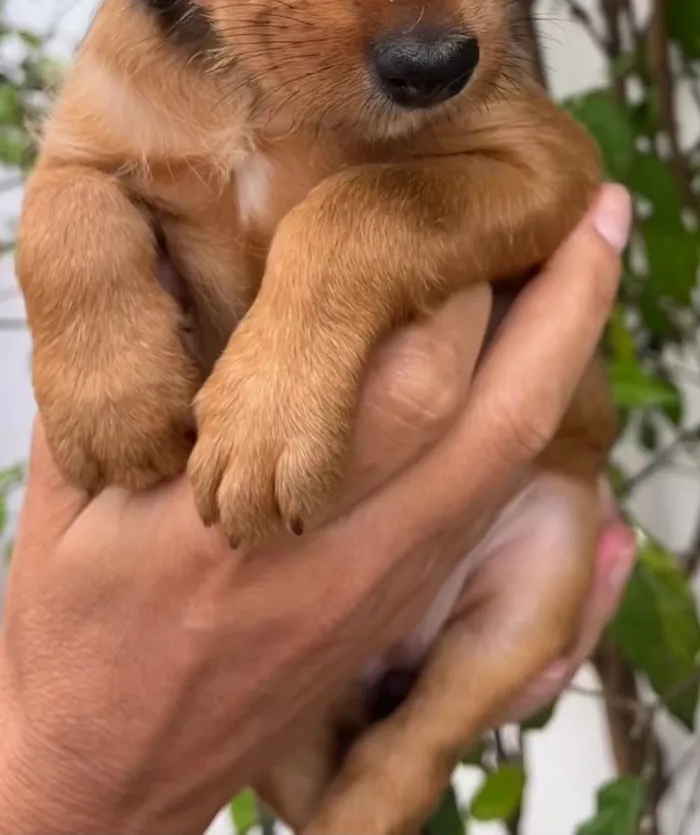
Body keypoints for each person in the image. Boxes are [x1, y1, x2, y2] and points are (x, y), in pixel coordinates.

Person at [0, 184, 635, 835]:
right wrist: (65, 788)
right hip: (248, 584)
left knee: (555, 529)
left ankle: (402, 770)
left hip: (502, 524)